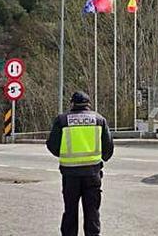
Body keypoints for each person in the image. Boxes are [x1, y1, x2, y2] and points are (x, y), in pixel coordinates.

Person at [47, 92, 114, 236]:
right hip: (92, 173)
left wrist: (64, 154)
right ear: (88, 104)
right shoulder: (99, 119)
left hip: (70, 174)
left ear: (72, 104)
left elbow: (52, 144)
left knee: (70, 210)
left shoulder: (62, 120)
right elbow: (108, 147)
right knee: (92, 211)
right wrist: (102, 157)